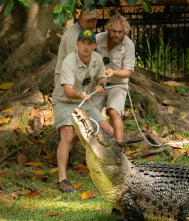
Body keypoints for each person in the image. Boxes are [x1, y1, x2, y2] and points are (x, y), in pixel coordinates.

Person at [52, 29, 114, 192]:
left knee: (108, 130)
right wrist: (79, 94)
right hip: (64, 101)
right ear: (77, 44)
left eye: (89, 43)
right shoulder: (69, 61)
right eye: (83, 43)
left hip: (84, 100)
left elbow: (101, 78)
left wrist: (100, 85)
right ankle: (62, 180)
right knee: (67, 133)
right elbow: (67, 90)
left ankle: (109, 171)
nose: (86, 47)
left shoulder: (97, 59)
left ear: (94, 45)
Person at [91, 14, 135, 143]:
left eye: (120, 32)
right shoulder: (98, 39)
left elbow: (127, 72)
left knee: (114, 112)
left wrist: (113, 72)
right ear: (108, 30)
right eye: (114, 31)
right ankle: (96, 146)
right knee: (90, 115)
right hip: (98, 84)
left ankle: (119, 150)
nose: (117, 35)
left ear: (125, 31)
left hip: (117, 85)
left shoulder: (129, 45)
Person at [54, 8, 98, 86]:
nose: (91, 25)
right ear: (80, 19)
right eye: (88, 21)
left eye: (94, 21)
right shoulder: (74, 36)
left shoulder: (84, 32)